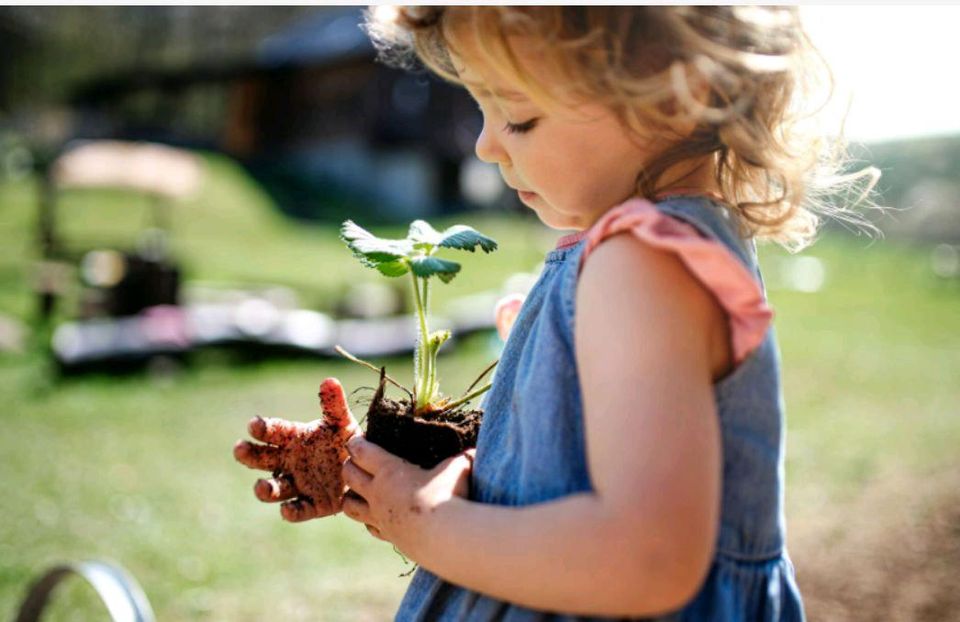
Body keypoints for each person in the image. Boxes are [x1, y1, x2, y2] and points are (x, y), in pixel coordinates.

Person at [234, 6, 879, 620]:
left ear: (674, 93)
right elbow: (554, 482)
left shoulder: (641, 266)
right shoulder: (640, 256)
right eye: (480, 107)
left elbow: (646, 558)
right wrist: (381, 474)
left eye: (518, 116)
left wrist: (431, 525)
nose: (487, 145)